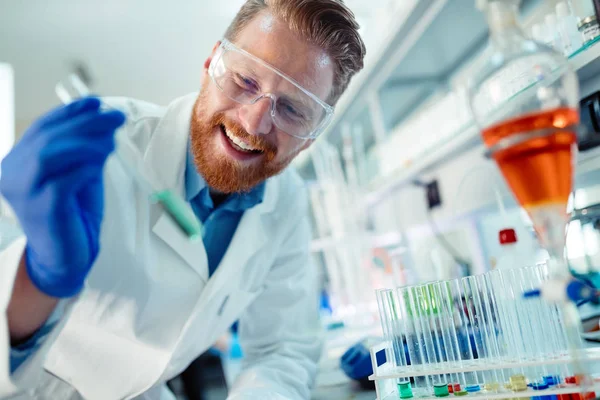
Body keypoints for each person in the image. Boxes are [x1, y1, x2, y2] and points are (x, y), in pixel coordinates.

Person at [0, 0, 366, 399]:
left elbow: (283, 349)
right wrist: (40, 277)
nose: (254, 121)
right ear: (212, 63)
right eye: (245, 81)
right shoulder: (103, 151)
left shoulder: (287, 201)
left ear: (311, 136)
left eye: (293, 109)